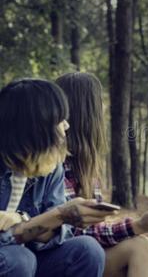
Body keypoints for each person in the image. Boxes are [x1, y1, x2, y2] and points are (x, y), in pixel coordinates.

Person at [56, 72, 148, 277]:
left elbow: (93, 224)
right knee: (140, 247)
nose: (104, 111)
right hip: (70, 256)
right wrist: (136, 226)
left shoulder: (86, 161)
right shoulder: (57, 163)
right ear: (88, 112)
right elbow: (73, 232)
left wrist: (147, 221)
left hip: (89, 245)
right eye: (100, 104)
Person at [0, 78, 116, 277]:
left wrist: (61, 216)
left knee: (87, 250)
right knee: (19, 260)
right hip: (15, 261)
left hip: (29, 255)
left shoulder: (50, 166)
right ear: (36, 127)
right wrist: (53, 217)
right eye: (59, 119)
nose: (67, 125)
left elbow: (55, 235)